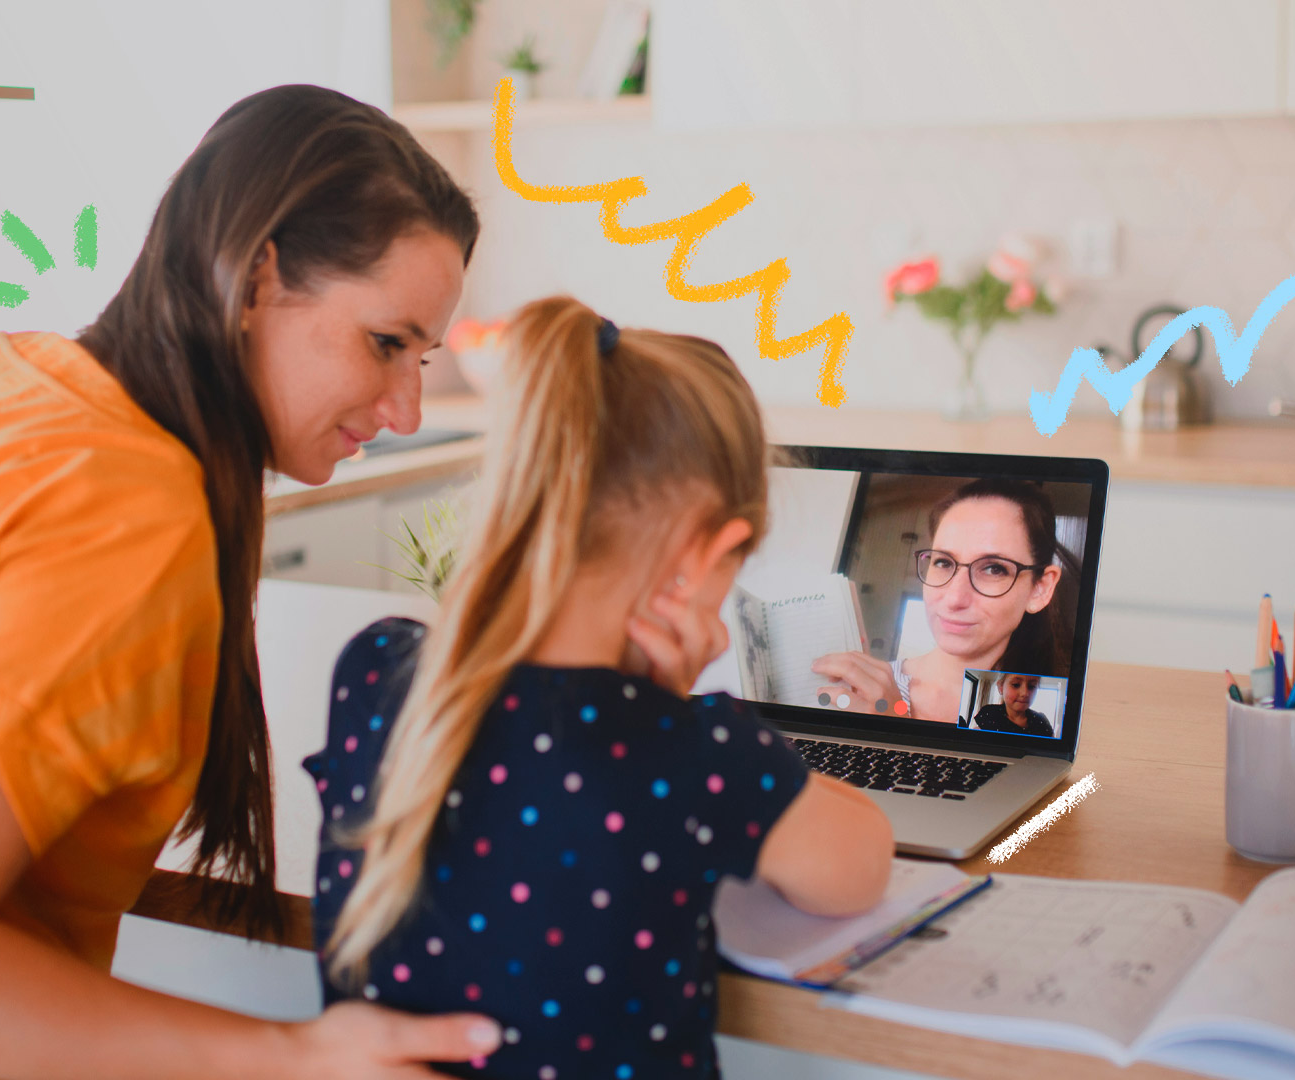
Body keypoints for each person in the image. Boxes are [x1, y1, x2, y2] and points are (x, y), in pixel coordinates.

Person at [0, 86, 508, 1079]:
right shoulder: (132, 519)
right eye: (385, 344)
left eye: (423, 357)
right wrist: (292, 1056)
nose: (410, 409)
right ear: (255, 279)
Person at [306, 297, 895, 1077]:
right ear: (699, 555)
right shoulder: (697, 751)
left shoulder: (375, 668)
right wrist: (671, 708)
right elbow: (862, 869)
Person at [810, 477, 1076, 724]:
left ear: (1039, 588)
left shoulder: (1047, 716)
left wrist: (897, 725)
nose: (954, 598)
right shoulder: (857, 690)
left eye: (994, 569)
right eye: (943, 562)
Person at [970, 672, 1055, 738]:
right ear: (1001, 687)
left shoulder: (1041, 721)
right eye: (1016, 685)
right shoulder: (988, 713)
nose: (1025, 693)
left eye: (1032, 686)